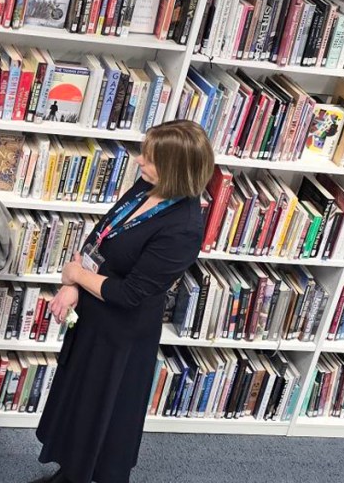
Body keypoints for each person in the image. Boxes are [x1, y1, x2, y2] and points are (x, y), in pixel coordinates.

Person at [33, 119, 215, 483]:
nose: (139, 163)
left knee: (101, 412)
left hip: (122, 333)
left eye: (150, 159)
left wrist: (75, 276)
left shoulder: (184, 226)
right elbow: (102, 234)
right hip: (92, 315)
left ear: (176, 170)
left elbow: (131, 294)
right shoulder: (145, 187)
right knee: (76, 401)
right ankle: (69, 471)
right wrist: (73, 286)